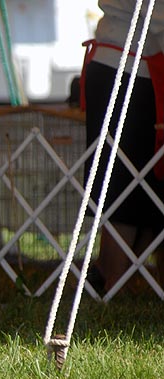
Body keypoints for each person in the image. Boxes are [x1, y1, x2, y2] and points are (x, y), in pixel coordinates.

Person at [82, 0, 164, 293]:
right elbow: (158, 16)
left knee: (130, 186)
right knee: (123, 188)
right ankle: (112, 278)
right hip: (128, 69)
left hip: (128, 64)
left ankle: (112, 276)